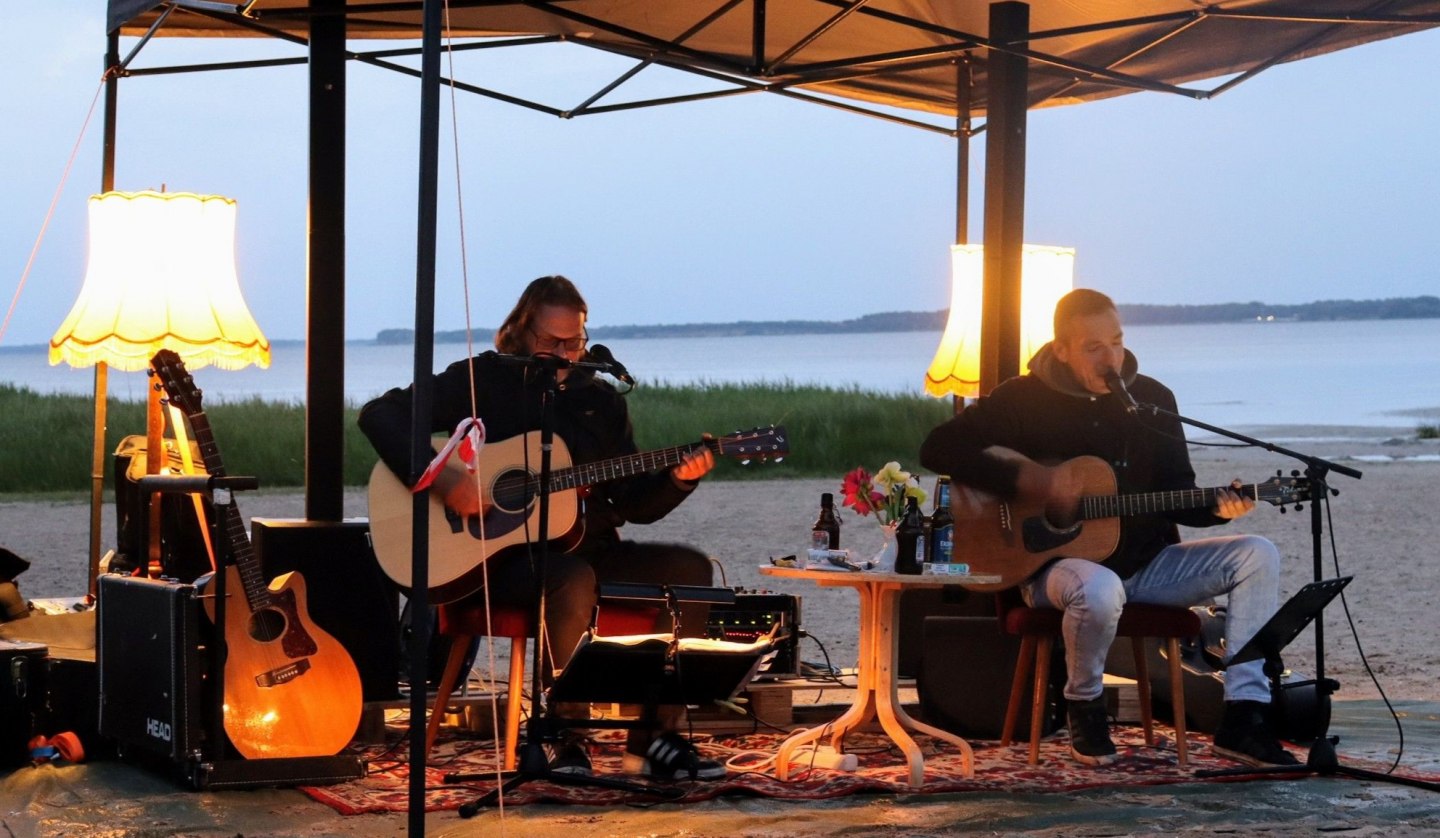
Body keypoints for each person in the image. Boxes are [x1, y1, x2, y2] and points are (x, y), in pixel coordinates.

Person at [359, 275, 724, 781]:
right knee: (571, 579)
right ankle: (559, 735)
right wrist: (441, 476)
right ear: (523, 333)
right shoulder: (483, 381)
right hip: (497, 562)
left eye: (573, 342)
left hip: (584, 548)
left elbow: (634, 504)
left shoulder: (600, 402)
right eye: (552, 342)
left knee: (690, 569)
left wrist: (678, 481)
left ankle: (653, 738)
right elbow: (380, 414)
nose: (565, 354)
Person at [919, 288, 1299, 769]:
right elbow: (938, 448)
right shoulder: (1023, 399)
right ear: (1062, 349)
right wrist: (1029, 479)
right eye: (1093, 347)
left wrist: (1219, 510)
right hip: (1053, 569)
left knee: (1258, 553)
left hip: (1148, 566)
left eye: (1117, 342)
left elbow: (1180, 490)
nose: (1111, 357)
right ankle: (1085, 703)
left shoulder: (1153, 401)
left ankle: (1245, 716)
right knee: (1099, 589)